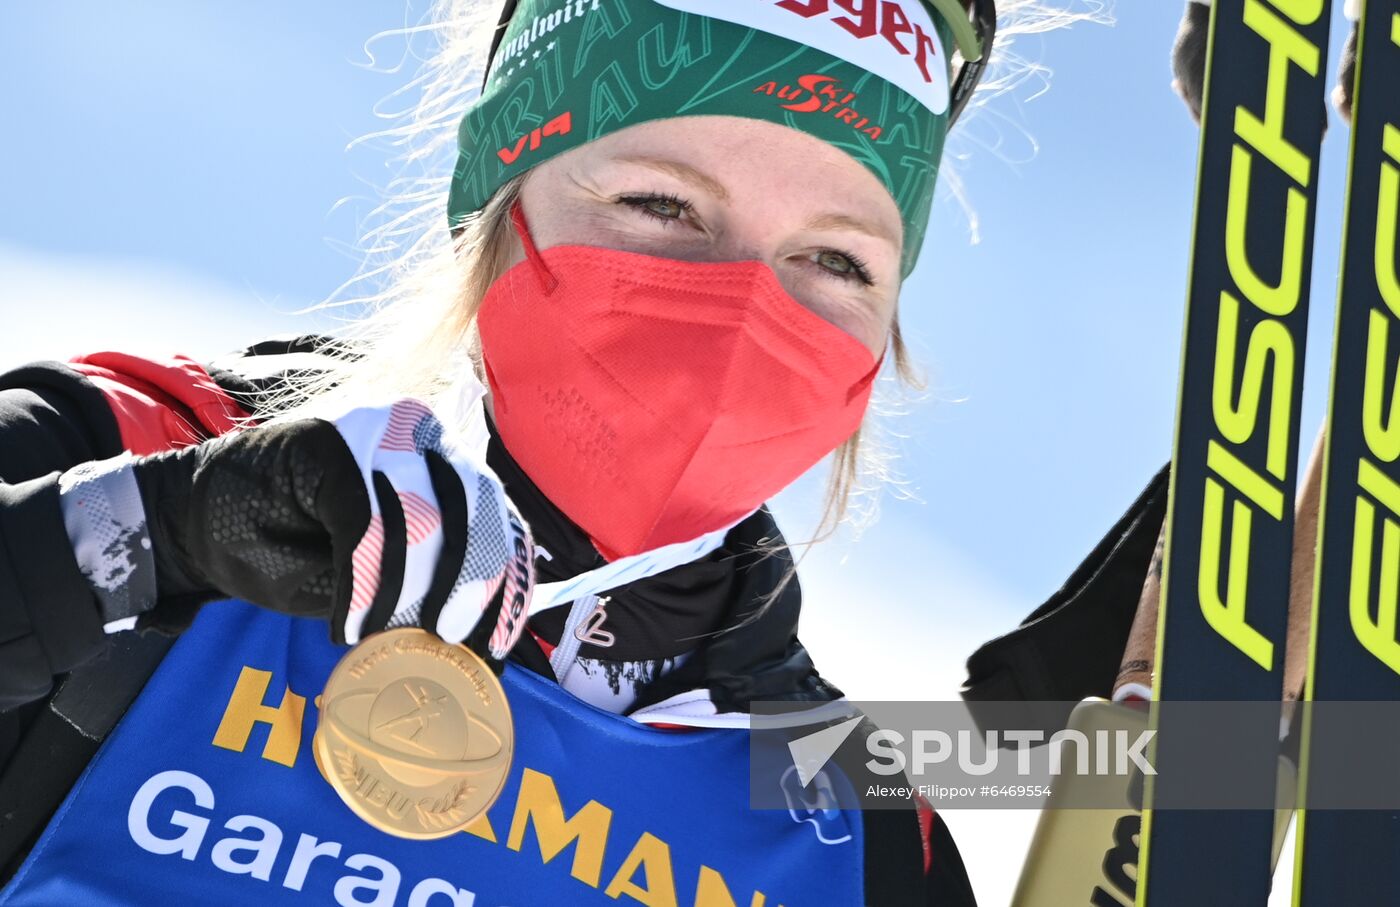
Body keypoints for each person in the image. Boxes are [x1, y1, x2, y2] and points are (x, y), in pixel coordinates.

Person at [0, 0, 1102, 903]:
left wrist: (1211, 734)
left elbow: (1202, 780)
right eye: (660, 203)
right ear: (496, 197)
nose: (742, 307)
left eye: (837, 261)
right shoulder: (138, 449)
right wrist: (158, 533)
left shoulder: (849, 811)